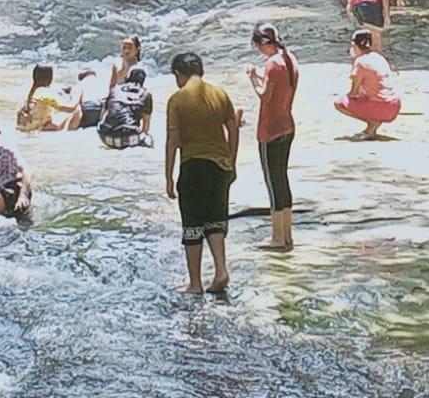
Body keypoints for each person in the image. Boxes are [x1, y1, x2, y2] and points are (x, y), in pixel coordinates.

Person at [165, 52, 240, 294]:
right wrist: (232, 161)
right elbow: (233, 128)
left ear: (179, 74)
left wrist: (168, 176)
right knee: (215, 219)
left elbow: (173, 140)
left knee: (193, 224)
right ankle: (221, 270)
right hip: (220, 166)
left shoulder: (177, 99)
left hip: (193, 165)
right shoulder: (220, 94)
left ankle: (195, 283)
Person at [247, 23, 298, 251]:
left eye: (257, 45)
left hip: (271, 130)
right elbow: (281, 85)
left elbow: (264, 95)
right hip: (287, 125)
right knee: (282, 180)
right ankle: (287, 235)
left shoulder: (272, 64)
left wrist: (252, 79)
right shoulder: (289, 59)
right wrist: (259, 75)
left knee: (273, 183)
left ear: (263, 43)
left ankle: (277, 238)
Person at [334, 29, 402, 139]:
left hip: (382, 107)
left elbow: (353, 93)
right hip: (395, 105)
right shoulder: (378, 57)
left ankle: (372, 122)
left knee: (339, 103)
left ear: (354, 45)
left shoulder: (360, 62)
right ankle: (372, 127)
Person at [99, 65, 155, 149]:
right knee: (149, 140)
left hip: (106, 137)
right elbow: (146, 126)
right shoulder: (146, 94)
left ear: (127, 77)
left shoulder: (115, 90)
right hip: (130, 136)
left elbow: (101, 116)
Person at [18, 65, 84, 132]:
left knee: (55, 113)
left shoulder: (29, 92)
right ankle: (67, 133)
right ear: (50, 78)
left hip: (27, 128)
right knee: (77, 110)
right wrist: (78, 94)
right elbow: (71, 109)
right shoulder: (44, 93)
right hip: (38, 129)